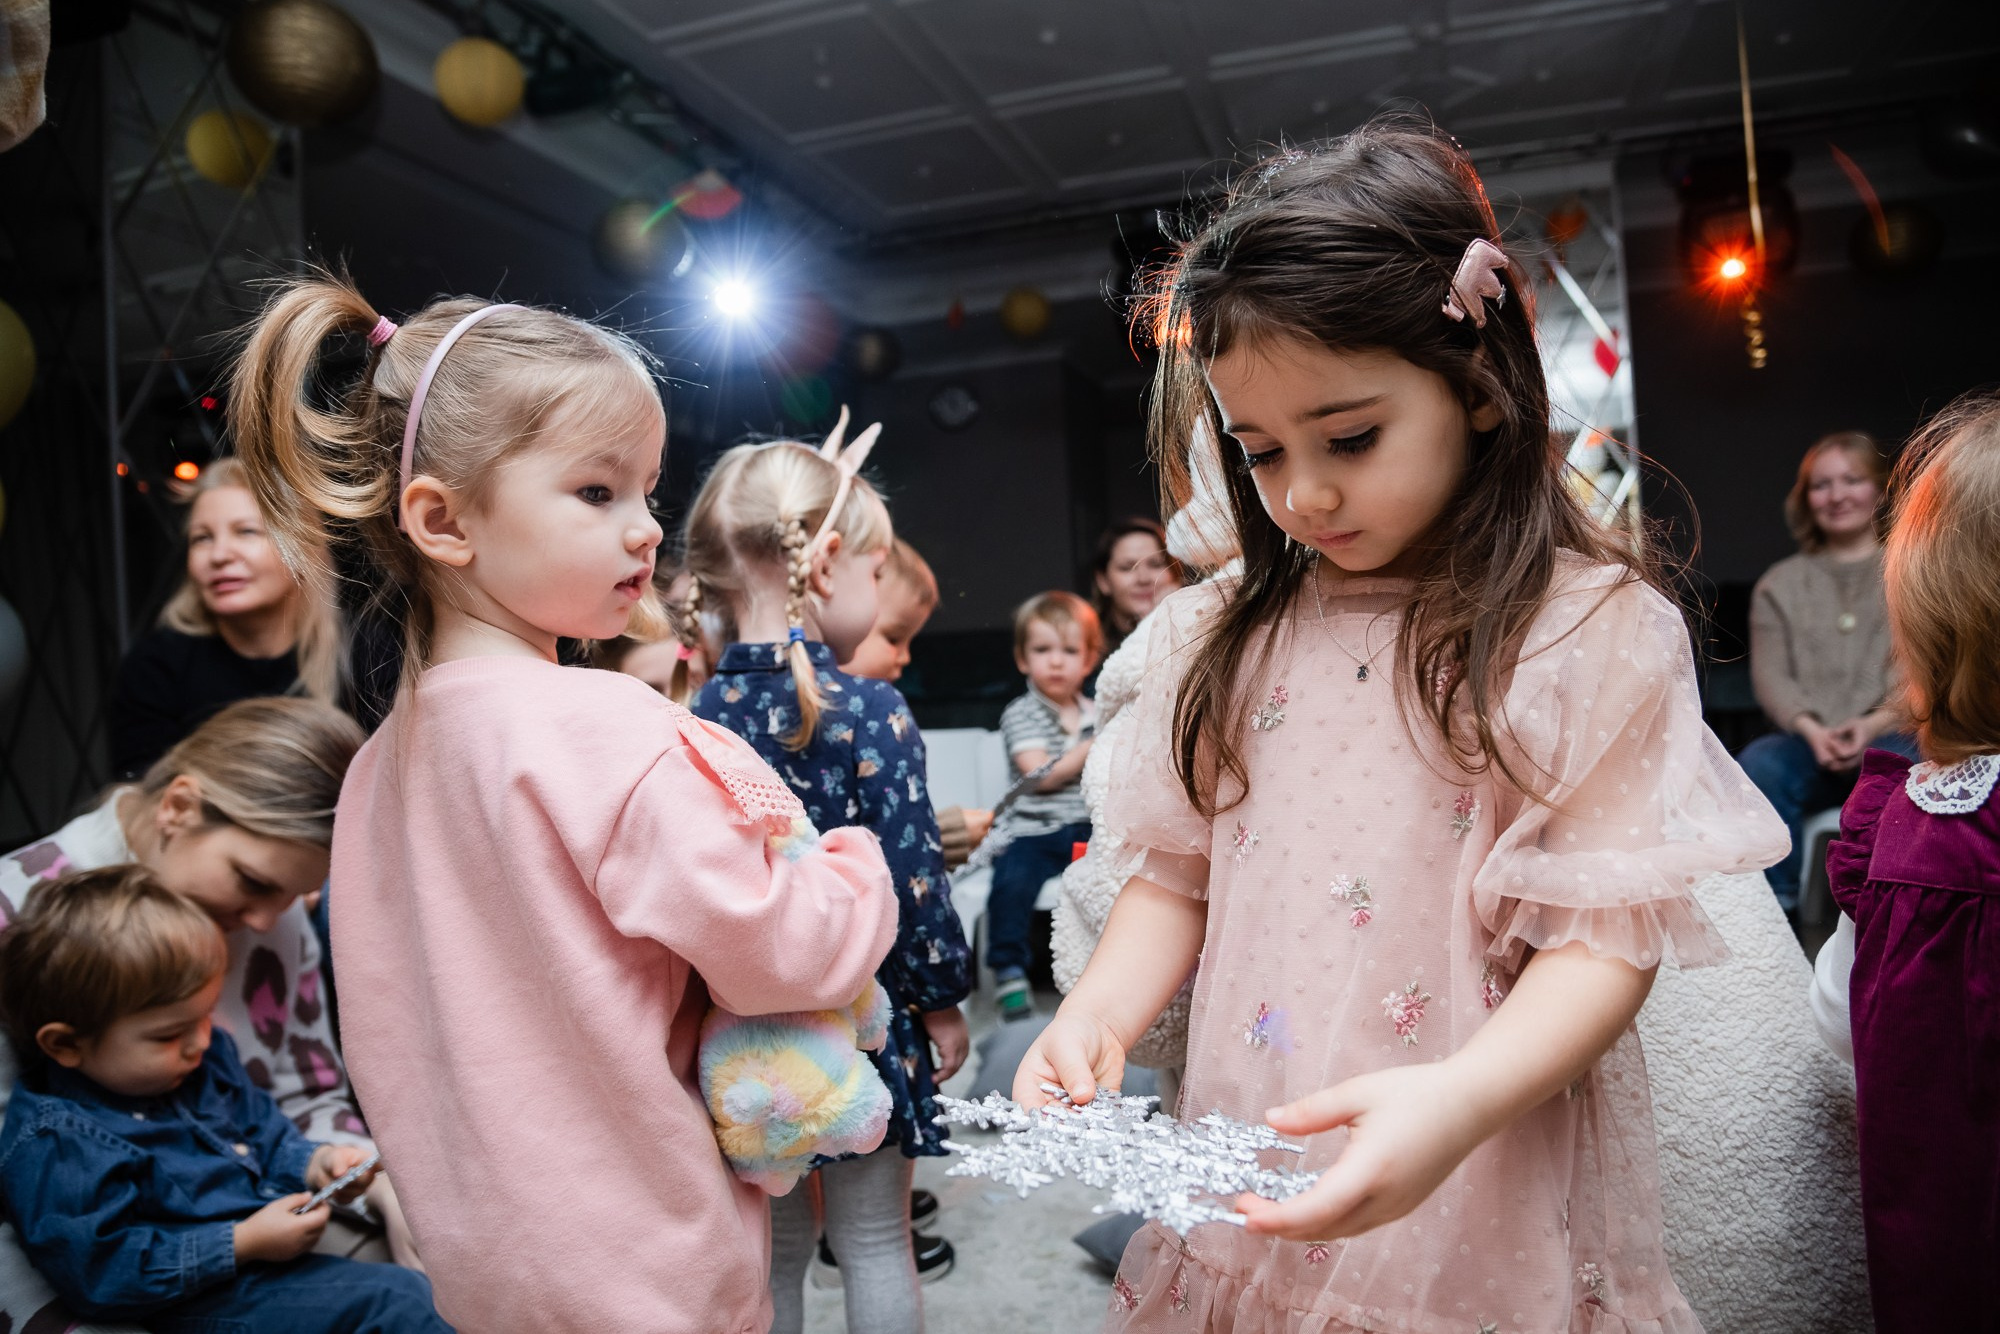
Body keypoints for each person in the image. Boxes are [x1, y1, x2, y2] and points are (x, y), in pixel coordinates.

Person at [1020, 120, 1786, 1331]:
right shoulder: (1225, 629)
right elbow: (1175, 875)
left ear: (1476, 387)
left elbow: (1600, 942)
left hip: (1468, 1157)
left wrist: (1458, 1099)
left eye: (1350, 436)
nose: (1302, 493)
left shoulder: (1580, 628)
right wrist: (1093, 1015)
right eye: (1258, 449)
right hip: (1248, 1136)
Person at [226, 276, 899, 1333]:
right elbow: (786, 951)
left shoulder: (376, 769)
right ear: (442, 520)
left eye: (648, 494)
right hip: (646, 1260)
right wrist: (855, 868)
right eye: (596, 492)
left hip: (481, 1268)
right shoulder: (610, 727)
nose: (644, 532)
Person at [680, 432, 972, 1334]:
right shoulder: (871, 711)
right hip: (863, 1022)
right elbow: (913, 873)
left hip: (738, 1035)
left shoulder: (689, 717)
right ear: (832, 559)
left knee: (777, 1256)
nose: (880, 596)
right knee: (876, 1239)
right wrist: (942, 1000)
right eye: (880, 571)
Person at [0, 865, 447, 1332]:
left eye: (207, 1014)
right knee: (399, 1302)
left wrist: (319, 1164)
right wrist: (244, 1242)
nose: (201, 1041)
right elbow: (100, 1276)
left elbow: (266, 1137)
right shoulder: (58, 1141)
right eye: (168, 1035)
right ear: (65, 1046)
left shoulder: (204, 1058)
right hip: (194, 1300)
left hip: (271, 1257)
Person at [1815, 391, 2000, 1331]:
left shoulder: (1911, 837)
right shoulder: (1786, 586)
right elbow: (1775, 678)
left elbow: (1843, 1022)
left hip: (1949, 1265)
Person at [1738, 431, 1916, 909]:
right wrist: (1813, 731)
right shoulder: (1780, 584)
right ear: (1805, 498)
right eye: (1822, 485)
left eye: (1852, 480)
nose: (1836, 496)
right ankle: (1780, 917)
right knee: (1758, 764)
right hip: (1805, 744)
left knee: (1927, 762)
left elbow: (1922, 670)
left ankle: (1897, 908)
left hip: (1891, 734)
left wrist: (1871, 725)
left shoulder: (1912, 572)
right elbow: (1772, 679)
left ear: (1880, 490)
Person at [109, 458, 344, 778]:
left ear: (302, 549)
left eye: (246, 531)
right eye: (202, 538)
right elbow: (143, 798)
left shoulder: (366, 656)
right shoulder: (156, 668)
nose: (219, 555)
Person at [841, 538, 993, 869]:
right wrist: (942, 837)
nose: (906, 657)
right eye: (893, 638)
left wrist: (941, 835)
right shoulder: (879, 708)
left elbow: (885, 835)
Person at [989, 591, 1101, 1022]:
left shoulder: (1097, 711)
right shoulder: (1021, 714)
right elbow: (1040, 774)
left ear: (1089, 661)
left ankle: (1103, 969)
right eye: (1042, 650)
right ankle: (1009, 970)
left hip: (1087, 827)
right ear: (1022, 659)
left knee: (1119, 881)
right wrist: (1095, 743)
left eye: (1069, 651)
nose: (1056, 662)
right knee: (1011, 883)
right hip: (1033, 832)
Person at [1090, 517, 1180, 659]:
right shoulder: (1083, 650)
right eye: (1127, 567)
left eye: (1155, 564)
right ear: (1103, 581)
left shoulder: (1201, 630)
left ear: (1174, 573)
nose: (1143, 579)